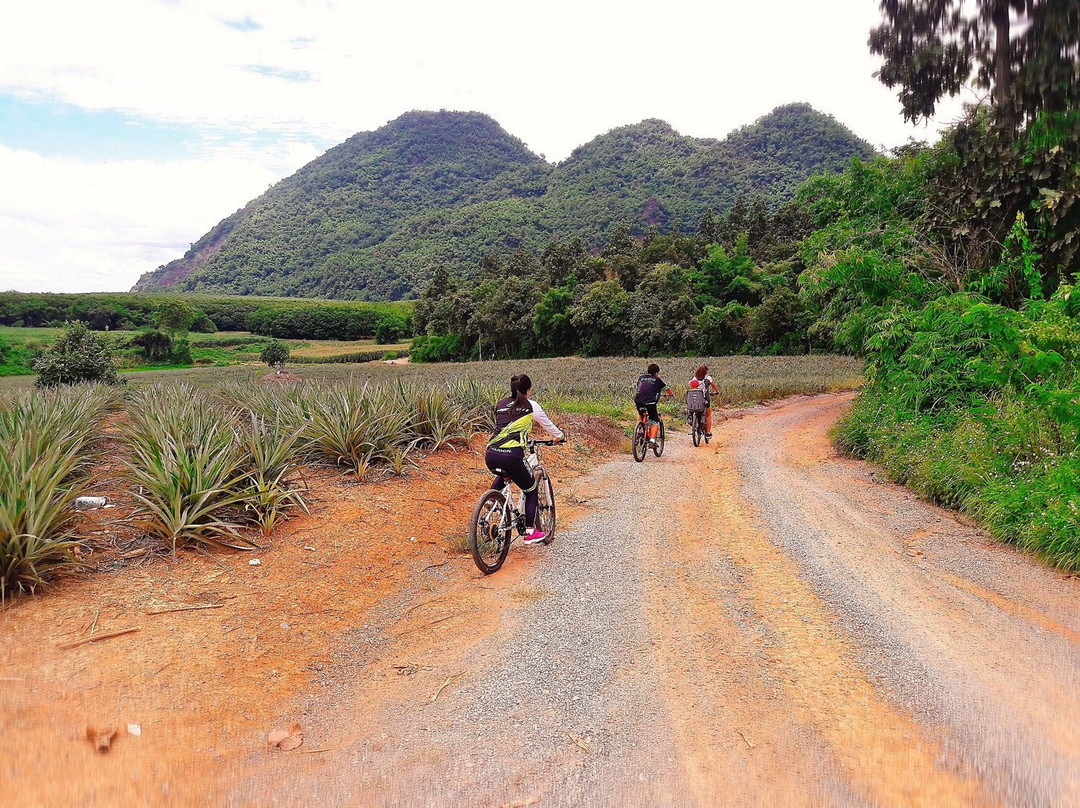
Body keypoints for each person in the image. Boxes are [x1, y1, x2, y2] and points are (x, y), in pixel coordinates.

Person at [485, 374, 565, 545]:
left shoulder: (500, 404)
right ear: (528, 390)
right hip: (513, 455)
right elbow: (548, 425)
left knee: (509, 470)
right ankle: (530, 531)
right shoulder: (531, 406)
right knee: (531, 489)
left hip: (491, 454)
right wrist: (559, 436)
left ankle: (491, 500)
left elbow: (504, 427)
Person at [634, 362, 673, 446]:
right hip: (650, 403)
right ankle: (652, 441)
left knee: (640, 413)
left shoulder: (641, 378)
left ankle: (638, 430)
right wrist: (670, 395)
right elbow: (667, 389)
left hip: (638, 401)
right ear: (656, 373)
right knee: (654, 421)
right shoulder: (657, 380)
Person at [690, 364, 720, 440]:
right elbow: (713, 386)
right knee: (708, 415)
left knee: (694, 410)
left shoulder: (694, 379)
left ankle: (693, 428)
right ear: (706, 372)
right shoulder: (708, 378)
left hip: (694, 399)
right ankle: (708, 433)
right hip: (704, 399)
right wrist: (716, 392)